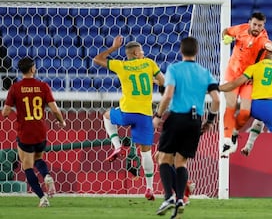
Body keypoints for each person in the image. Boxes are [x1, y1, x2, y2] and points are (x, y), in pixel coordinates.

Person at [153, 37, 220, 218]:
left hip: (177, 117)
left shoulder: (174, 69)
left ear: (181, 51)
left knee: (163, 158)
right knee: (181, 162)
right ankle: (181, 198)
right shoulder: (205, 72)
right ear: (196, 52)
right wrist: (210, 121)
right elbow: (216, 99)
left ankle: (168, 197)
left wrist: (158, 115)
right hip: (195, 121)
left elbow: (167, 95)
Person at [93, 35, 165, 201]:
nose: (143, 53)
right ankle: (149, 189)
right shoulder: (149, 63)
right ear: (134, 53)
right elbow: (162, 81)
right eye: (141, 51)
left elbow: (97, 59)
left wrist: (113, 48)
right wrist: (152, 80)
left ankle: (117, 145)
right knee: (145, 152)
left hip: (127, 112)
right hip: (145, 115)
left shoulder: (122, 65)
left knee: (107, 115)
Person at [221, 11, 272, 156]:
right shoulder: (241, 29)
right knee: (230, 107)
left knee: (244, 112)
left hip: (249, 78)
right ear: (249, 22)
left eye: (260, 26)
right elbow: (227, 30)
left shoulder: (263, 39)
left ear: (263, 26)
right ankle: (227, 141)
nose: (256, 28)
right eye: (254, 24)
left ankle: (235, 134)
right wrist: (226, 36)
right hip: (233, 74)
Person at [1, 57, 66, 207]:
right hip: (40, 131)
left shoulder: (15, 88)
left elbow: (5, 113)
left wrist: (13, 106)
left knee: (27, 166)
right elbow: (54, 109)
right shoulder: (43, 86)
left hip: (25, 132)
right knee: (38, 158)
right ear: (32, 69)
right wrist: (61, 121)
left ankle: (42, 198)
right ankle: (47, 176)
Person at [219, 50, 272, 161]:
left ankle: (242, 143)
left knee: (257, 120)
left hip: (254, 104)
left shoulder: (254, 67)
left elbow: (238, 82)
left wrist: (219, 88)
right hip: (270, 105)